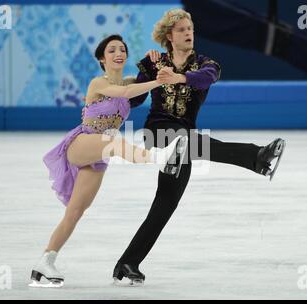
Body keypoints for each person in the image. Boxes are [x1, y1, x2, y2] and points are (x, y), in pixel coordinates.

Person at [112, 9, 285, 285]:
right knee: (186, 141)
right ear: (169, 36)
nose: (188, 33)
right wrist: (119, 87)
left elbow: (206, 78)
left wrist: (178, 78)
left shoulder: (207, 64)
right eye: (181, 30)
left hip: (185, 144)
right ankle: (257, 157)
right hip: (157, 133)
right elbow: (134, 100)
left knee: (165, 204)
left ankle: (127, 263)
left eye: (190, 28)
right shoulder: (152, 63)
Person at [29, 34, 188, 288]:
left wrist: (155, 62)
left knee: (75, 212)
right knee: (114, 144)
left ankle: (44, 262)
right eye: (112, 50)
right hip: (83, 142)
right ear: (102, 59)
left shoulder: (129, 82)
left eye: (122, 49)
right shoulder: (97, 83)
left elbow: (138, 83)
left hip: (99, 155)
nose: (119, 53)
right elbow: (126, 92)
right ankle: (161, 157)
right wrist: (156, 82)